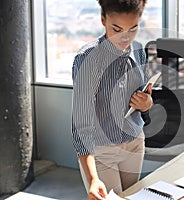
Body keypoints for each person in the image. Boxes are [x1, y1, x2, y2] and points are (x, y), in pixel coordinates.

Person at [71, 0, 151, 199]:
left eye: (133, 29)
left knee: (131, 196)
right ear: (103, 19)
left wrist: (146, 103)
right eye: (117, 29)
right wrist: (92, 179)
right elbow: (81, 126)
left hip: (134, 142)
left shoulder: (140, 50)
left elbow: (146, 97)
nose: (126, 37)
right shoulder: (88, 58)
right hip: (102, 152)